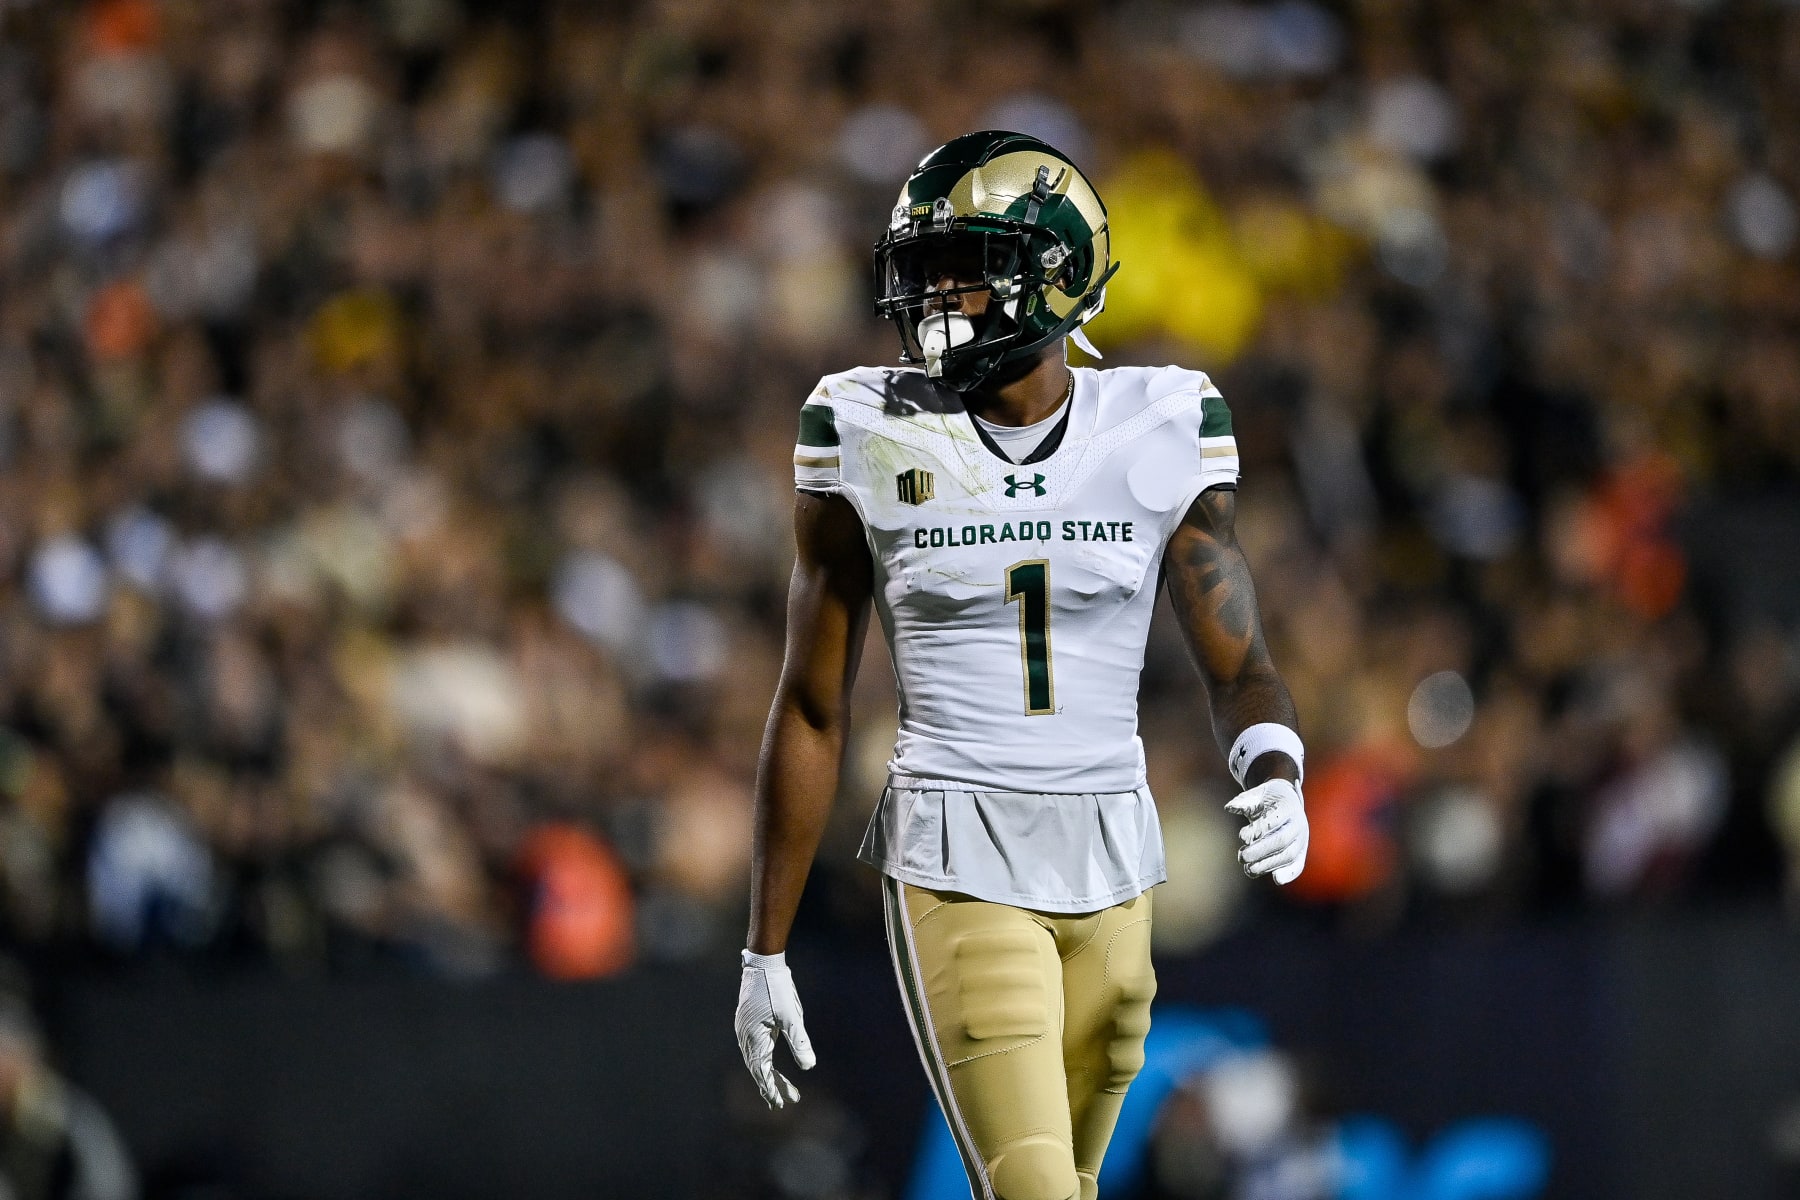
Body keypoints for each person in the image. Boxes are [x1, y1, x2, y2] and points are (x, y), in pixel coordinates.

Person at [735, 131, 1308, 1200]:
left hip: (1116, 855)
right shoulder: (863, 427)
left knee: (1069, 1186)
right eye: (923, 271)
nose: (933, 300)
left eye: (965, 271)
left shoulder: (1163, 420)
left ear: (1055, 273)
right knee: (1035, 1187)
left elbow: (1241, 663)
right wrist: (763, 949)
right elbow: (812, 704)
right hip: (956, 846)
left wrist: (1275, 762)